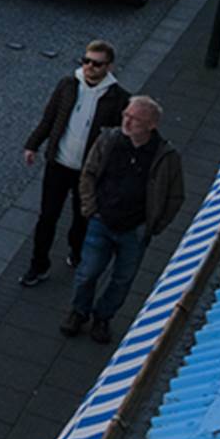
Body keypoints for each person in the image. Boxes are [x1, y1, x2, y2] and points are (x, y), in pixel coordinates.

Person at [64, 96, 183, 343]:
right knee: (88, 272)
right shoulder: (109, 141)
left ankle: (103, 317)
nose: (126, 122)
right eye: (125, 115)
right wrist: (90, 208)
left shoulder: (166, 157)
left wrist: (155, 225)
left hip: (135, 230)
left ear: (151, 125)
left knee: (122, 279)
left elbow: (175, 195)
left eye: (134, 119)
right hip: (102, 221)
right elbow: (89, 173)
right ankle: (79, 311)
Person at [19, 40, 131, 287]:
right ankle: (38, 265)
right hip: (58, 164)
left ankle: (76, 251)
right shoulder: (67, 85)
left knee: (83, 217)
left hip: (89, 172)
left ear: (109, 67)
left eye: (97, 63)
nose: (90, 67)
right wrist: (32, 145)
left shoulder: (119, 98)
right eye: (86, 61)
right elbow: (49, 118)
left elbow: (119, 140)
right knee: (47, 217)